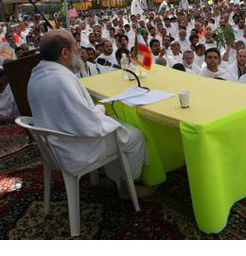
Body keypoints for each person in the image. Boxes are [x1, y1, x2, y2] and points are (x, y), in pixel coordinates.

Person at [27, 30, 153, 198]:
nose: (79, 50)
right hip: (72, 148)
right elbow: (89, 125)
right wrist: (101, 111)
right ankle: (126, 186)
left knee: (116, 128)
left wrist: (100, 113)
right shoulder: (61, 80)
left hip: (54, 145)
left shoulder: (37, 72)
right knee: (134, 136)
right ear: (65, 53)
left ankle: (113, 179)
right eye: (75, 46)